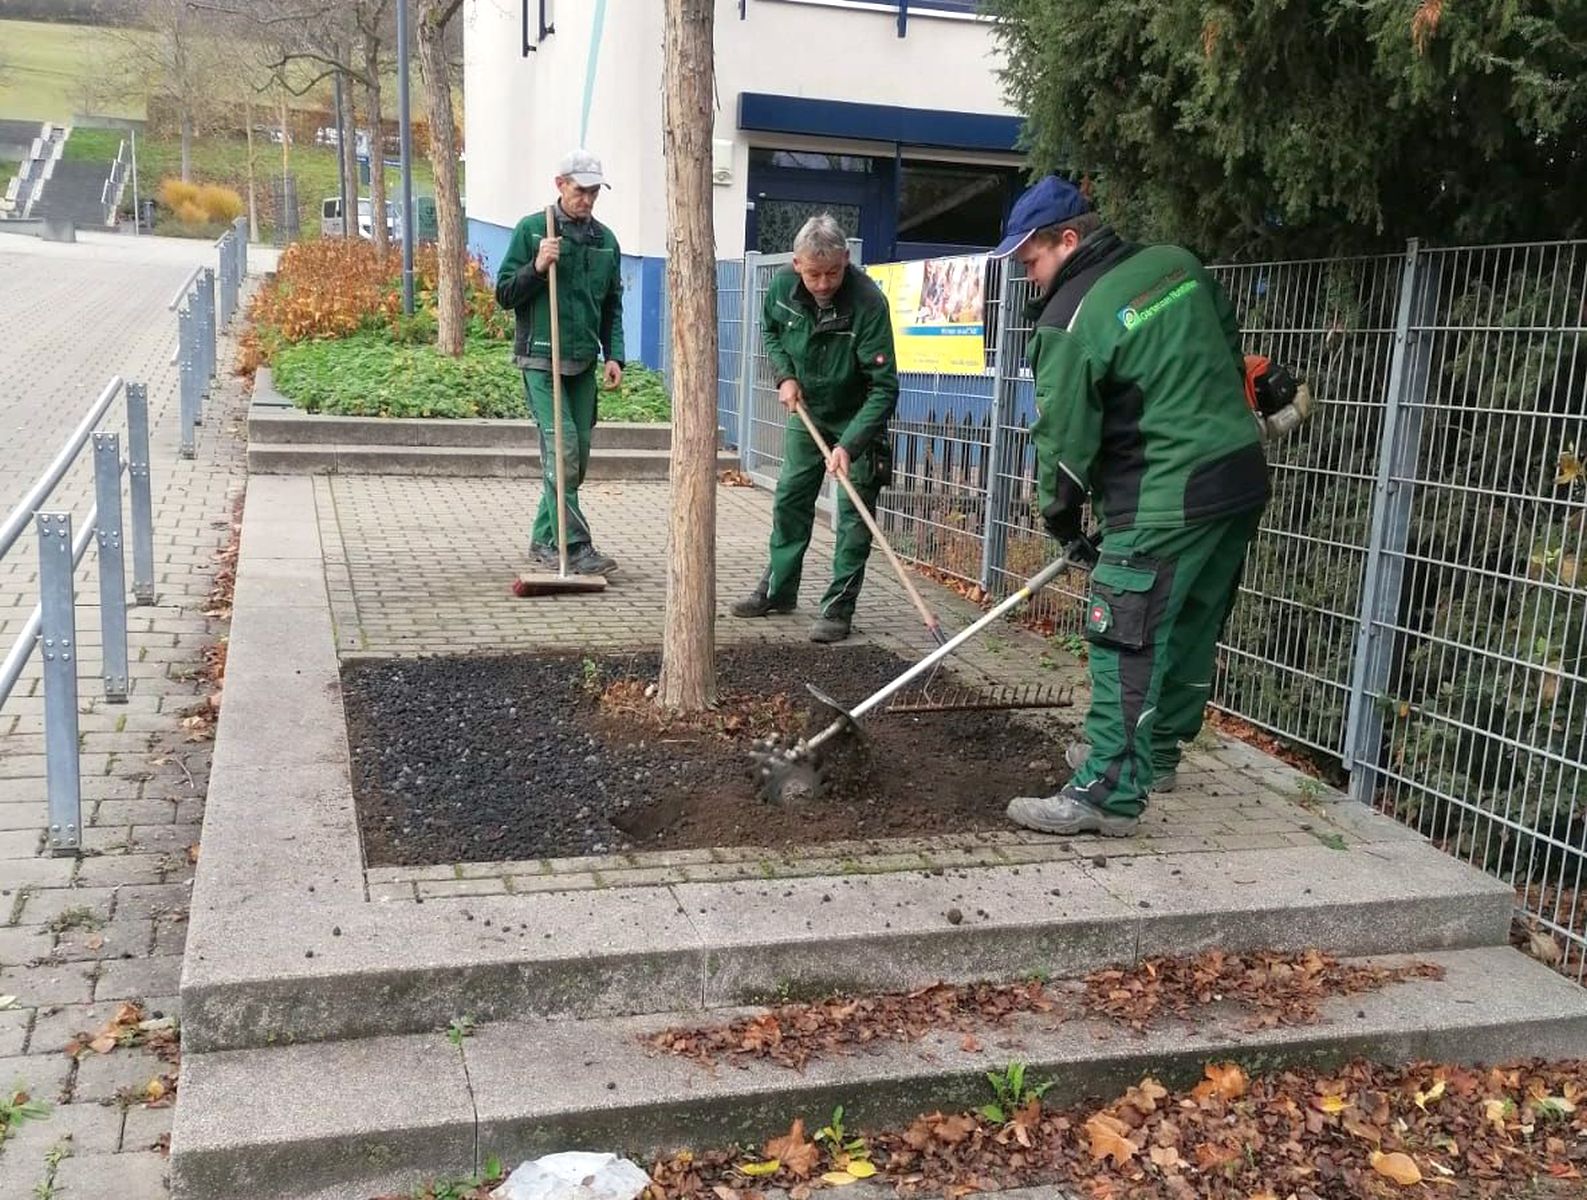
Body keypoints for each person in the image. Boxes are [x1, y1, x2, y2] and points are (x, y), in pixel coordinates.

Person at [994, 176, 1270, 837]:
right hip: (1236, 480)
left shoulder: (1069, 320)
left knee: (1124, 635)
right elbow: (1230, 355)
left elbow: (1062, 444)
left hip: (1163, 498)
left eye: (1030, 261)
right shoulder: (1176, 264)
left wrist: (1061, 520)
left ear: (1068, 239)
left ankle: (1105, 794)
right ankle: (1157, 756)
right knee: (1189, 622)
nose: (1030, 279)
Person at [730, 213, 899, 643]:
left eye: (833, 273)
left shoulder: (868, 304)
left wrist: (851, 444)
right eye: (813, 275)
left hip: (857, 415)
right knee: (790, 497)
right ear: (796, 264)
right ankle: (778, 590)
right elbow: (769, 331)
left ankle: (838, 607)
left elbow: (884, 387)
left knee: (852, 513)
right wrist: (785, 376)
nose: (823, 284)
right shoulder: (782, 289)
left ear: (846, 259)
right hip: (808, 411)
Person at [494, 149, 626, 575]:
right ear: (560, 185)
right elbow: (504, 294)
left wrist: (614, 355)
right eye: (579, 190)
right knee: (562, 449)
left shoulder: (605, 241)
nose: (586, 200)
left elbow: (612, 306)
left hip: (583, 362)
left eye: (592, 192)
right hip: (540, 358)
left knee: (577, 457)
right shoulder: (534, 230)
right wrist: (537, 265)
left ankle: (542, 538)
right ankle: (575, 543)